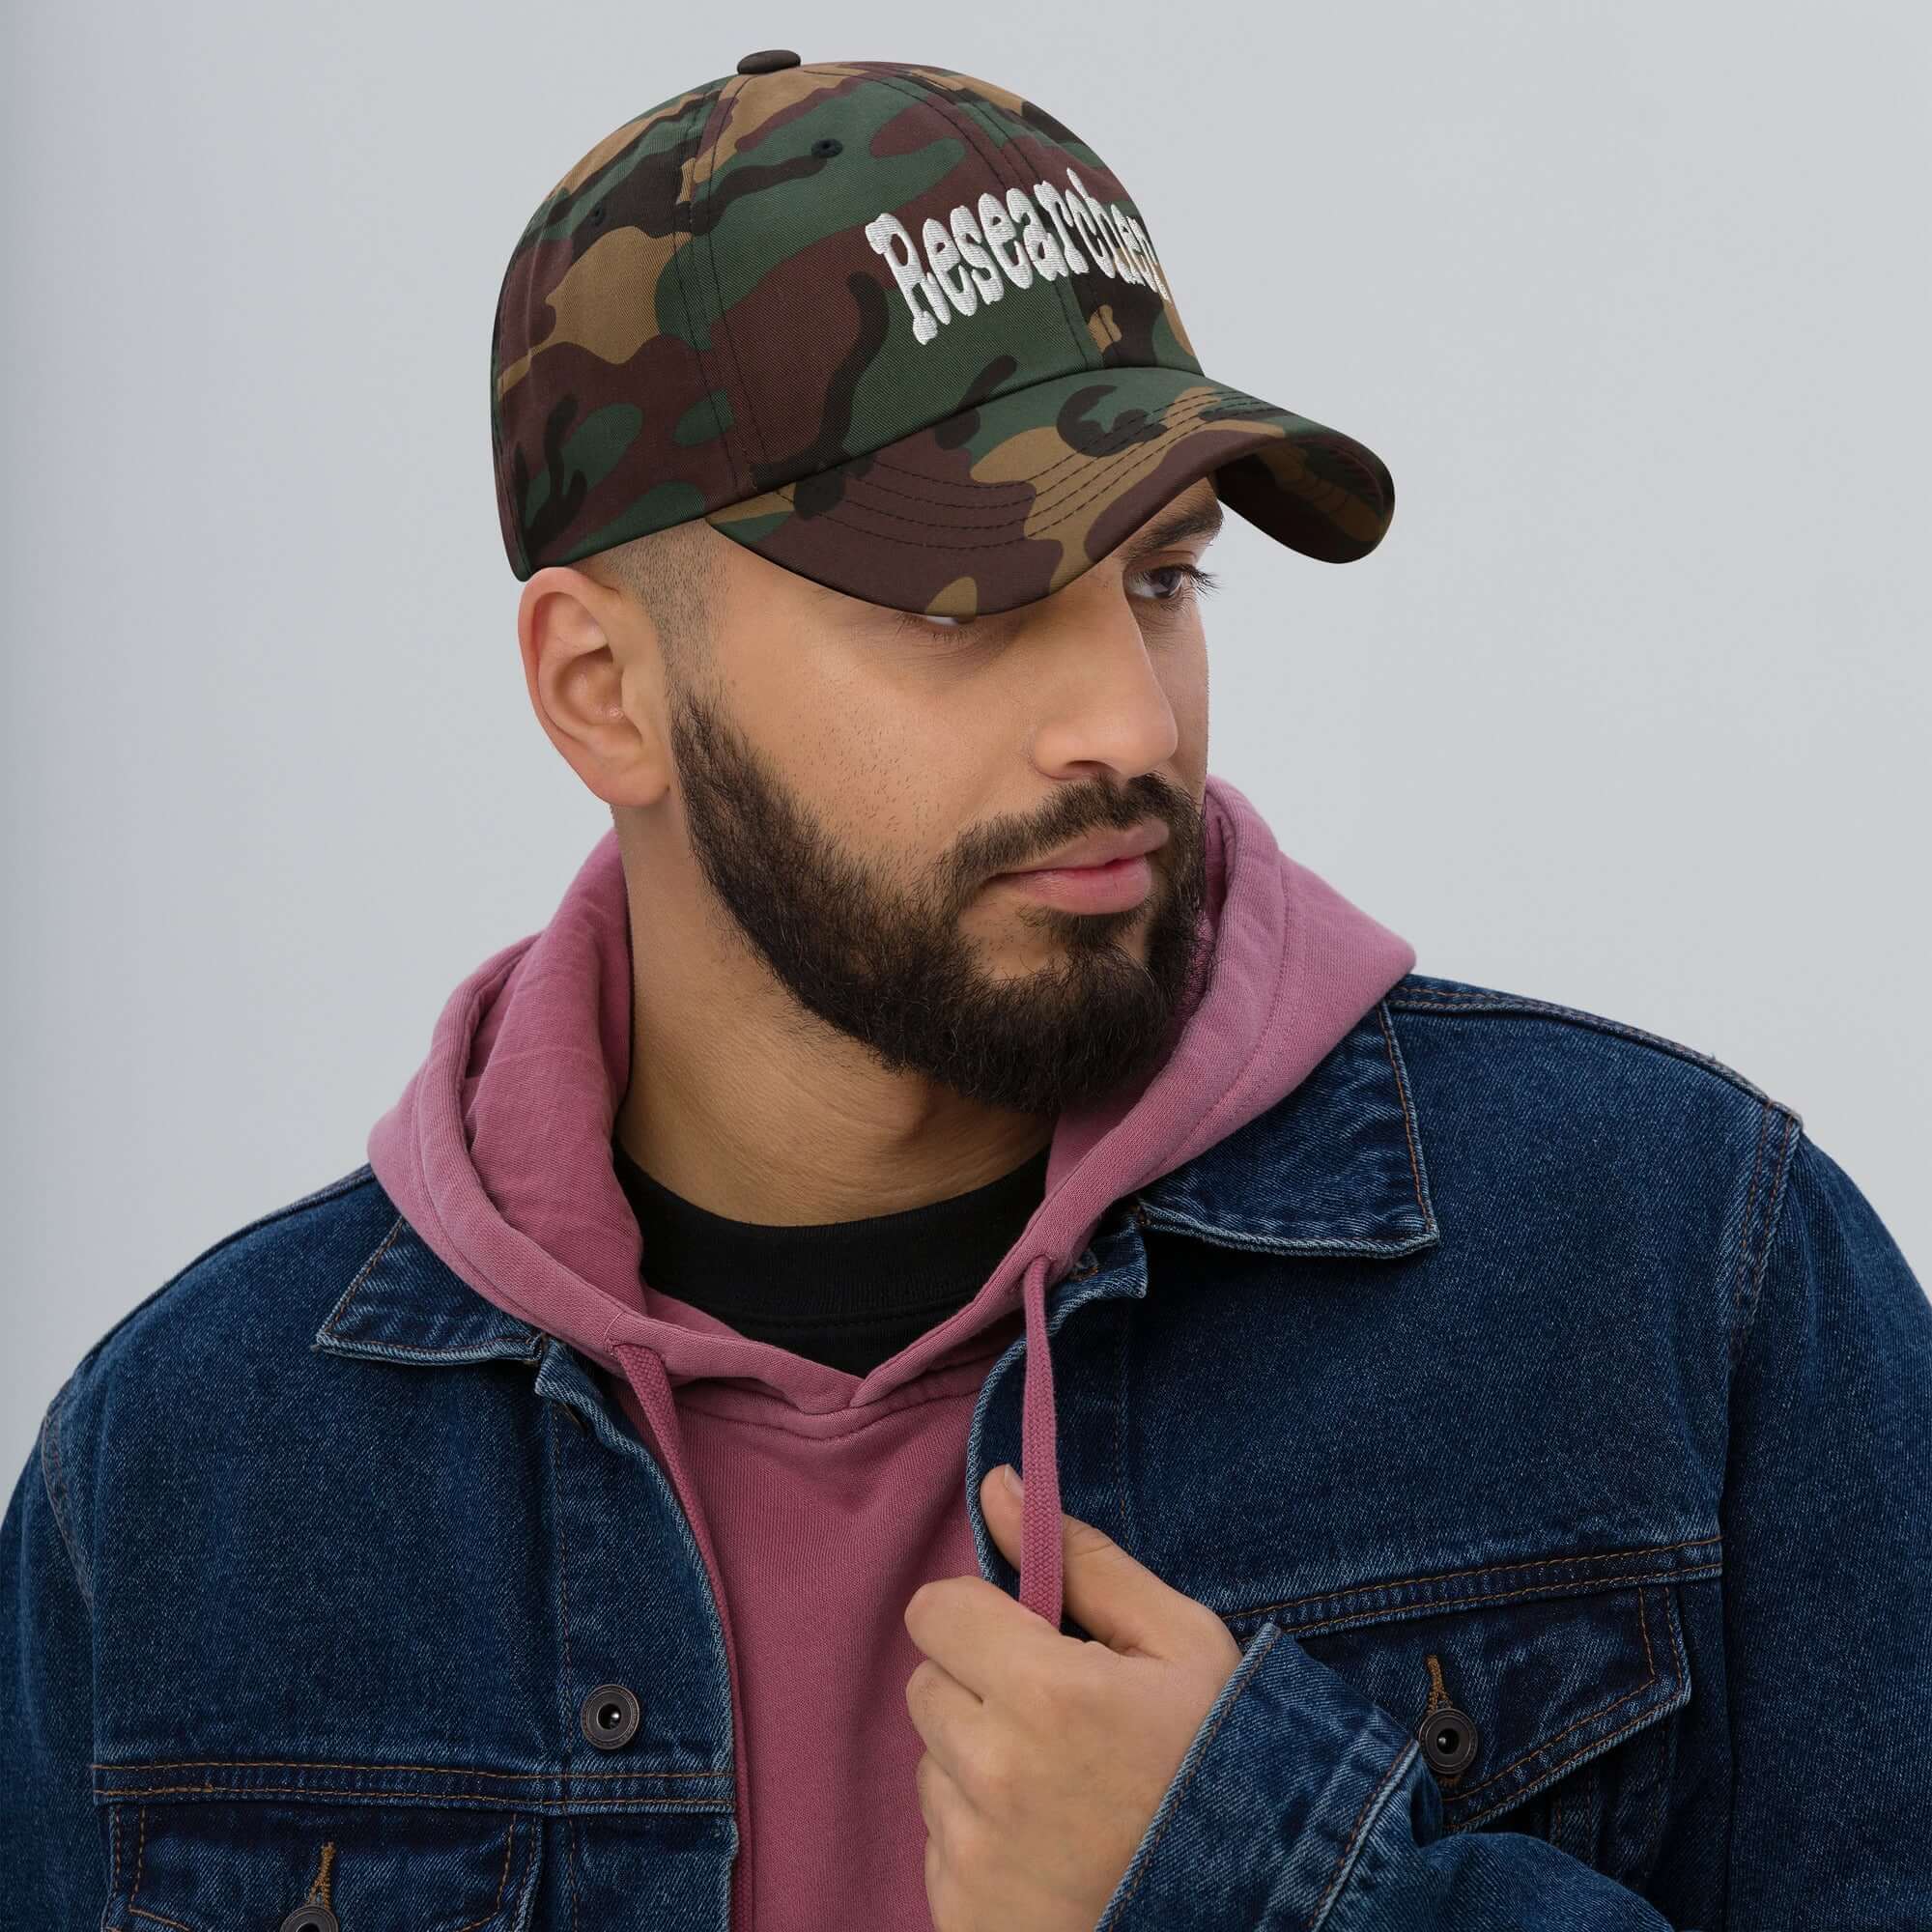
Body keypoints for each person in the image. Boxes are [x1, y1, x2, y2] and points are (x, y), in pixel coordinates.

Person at [3, 50, 1927, 1932]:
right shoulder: (183, 1479)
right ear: (605, 689)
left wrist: (1273, 1886)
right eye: (970, 608)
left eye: (1163, 579)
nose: (1123, 720)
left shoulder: (1676, 1274)